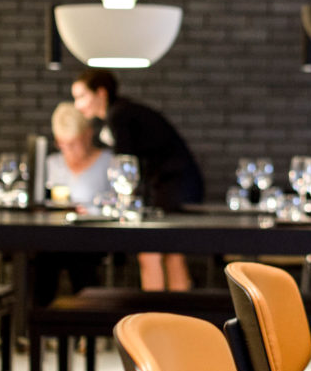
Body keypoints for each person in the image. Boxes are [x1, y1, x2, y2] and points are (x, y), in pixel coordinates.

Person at [72, 70, 204, 291]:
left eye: (81, 96)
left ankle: (157, 311)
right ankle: (172, 310)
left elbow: (125, 166)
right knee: (169, 250)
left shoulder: (118, 115)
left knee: (152, 250)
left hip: (174, 184)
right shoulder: (123, 111)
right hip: (175, 183)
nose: (77, 105)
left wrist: (123, 200)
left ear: (101, 93)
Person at [33, 103, 114, 306]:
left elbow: (117, 205)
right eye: (63, 144)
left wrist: (92, 212)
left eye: (73, 143)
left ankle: (89, 321)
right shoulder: (51, 164)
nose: (68, 150)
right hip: (54, 239)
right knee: (39, 259)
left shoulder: (109, 163)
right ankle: (35, 320)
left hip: (94, 239)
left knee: (82, 261)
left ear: (88, 134)